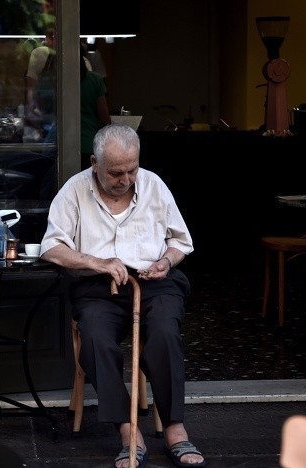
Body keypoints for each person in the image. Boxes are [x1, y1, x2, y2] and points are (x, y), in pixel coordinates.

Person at [39, 124, 206, 468]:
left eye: (132, 169)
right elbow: (51, 248)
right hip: (98, 287)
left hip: (153, 282)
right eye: (116, 172)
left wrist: (165, 261)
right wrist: (95, 262)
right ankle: (128, 429)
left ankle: (175, 427)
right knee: (97, 340)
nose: (126, 179)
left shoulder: (154, 185)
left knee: (164, 331)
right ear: (94, 163)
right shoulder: (74, 191)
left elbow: (181, 242)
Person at [80, 45, 111, 169]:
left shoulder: (57, 81)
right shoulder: (94, 80)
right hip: (90, 144)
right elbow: (104, 119)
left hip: (60, 145)